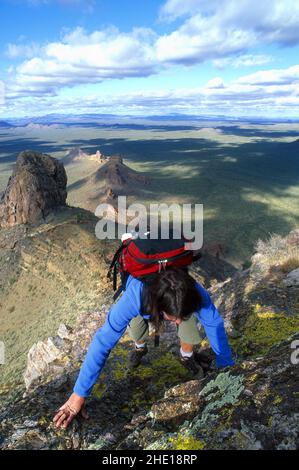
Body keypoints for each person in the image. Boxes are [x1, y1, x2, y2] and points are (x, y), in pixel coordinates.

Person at [53, 267, 234, 429]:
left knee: (188, 322)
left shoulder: (192, 290)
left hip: (169, 299)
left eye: (180, 316)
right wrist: (79, 395)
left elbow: (213, 323)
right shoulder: (135, 297)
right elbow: (102, 342)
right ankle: (140, 347)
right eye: (174, 317)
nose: (177, 322)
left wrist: (227, 366)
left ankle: (186, 356)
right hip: (143, 297)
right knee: (137, 329)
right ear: (159, 308)